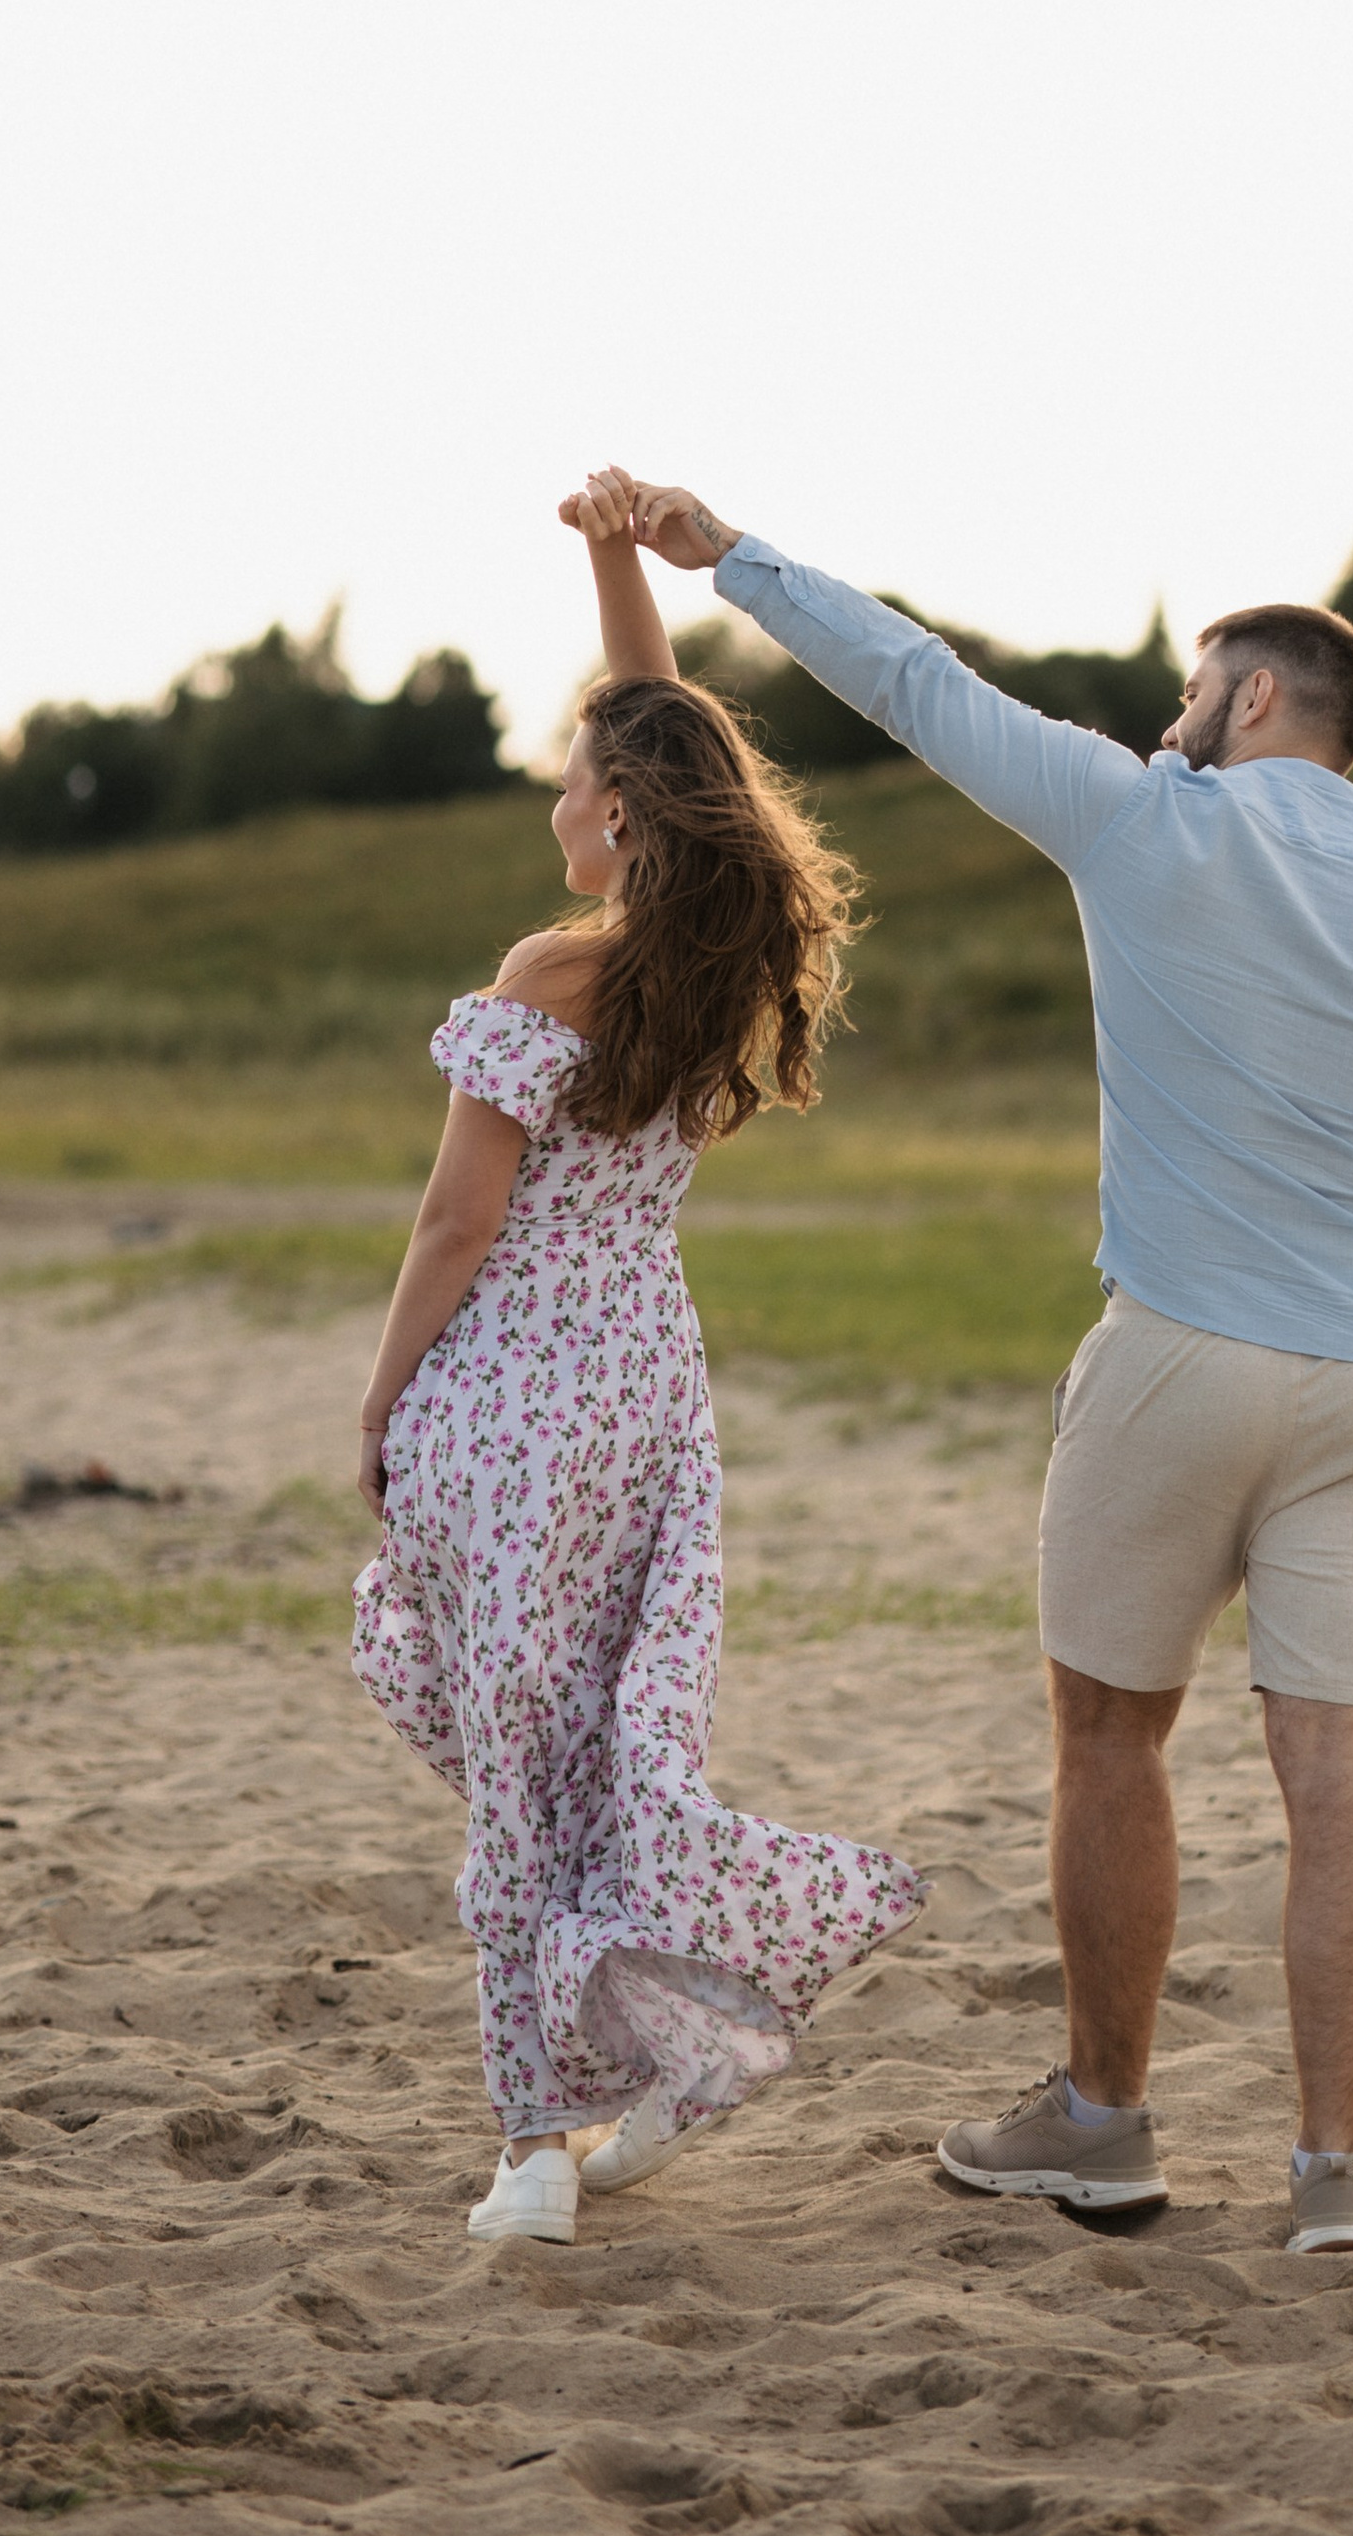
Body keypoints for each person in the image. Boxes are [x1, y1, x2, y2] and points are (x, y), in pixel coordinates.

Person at [619, 483, 1353, 2254]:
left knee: (1109, 1734)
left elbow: (916, 686)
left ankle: (1105, 2122)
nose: (1168, 718)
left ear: (1252, 704)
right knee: (1343, 1773)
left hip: (1179, 1359)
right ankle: (1335, 2182)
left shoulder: (1152, 820)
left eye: (1190, 688)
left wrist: (729, 557)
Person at [349, 472, 927, 2247]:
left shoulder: (551, 971)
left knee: (523, 1765)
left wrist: (377, 1403)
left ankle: (535, 2142)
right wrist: (612, 565)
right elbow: (672, 739)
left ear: (616, 813)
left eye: (571, 778)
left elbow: (455, 1229)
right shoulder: (722, 964)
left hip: (515, 1399)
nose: (553, 797)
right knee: (603, 1743)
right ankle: (647, 2059)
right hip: (647, 1401)